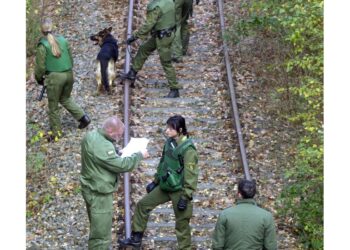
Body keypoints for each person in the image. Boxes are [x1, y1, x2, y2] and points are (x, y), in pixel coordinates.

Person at [118, 115, 199, 249]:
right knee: (142, 205)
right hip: (166, 185)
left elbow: (192, 175)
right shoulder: (169, 142)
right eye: (167, 127)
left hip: (180, 191)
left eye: (170, 128)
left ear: (179, 129)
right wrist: (155, 181)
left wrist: (186, 196)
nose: (166, 131)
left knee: (182, 224)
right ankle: (136, 238)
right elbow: (163, 163)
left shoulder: (188, 149)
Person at [80, 116, 149, 249]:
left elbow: (100, 156)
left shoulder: (91, 136)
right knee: (101, 236)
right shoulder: (103, 145)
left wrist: (117, 152)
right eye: (118, 135)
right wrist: (139, 155)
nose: (118, 138)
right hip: (99, 195)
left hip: (89, 188)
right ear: (110, 130)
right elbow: (122, 166)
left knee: (96, 227)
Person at [35, 18, 90, 142]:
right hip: (69, 74)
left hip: (55, 78)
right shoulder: (63, 40)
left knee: (53, 106)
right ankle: (83, 118)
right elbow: (71, 59)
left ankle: (56, 133)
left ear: (41, 31)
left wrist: (39, 79)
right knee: (65, 98)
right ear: (53, 28)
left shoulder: (42, 45)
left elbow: (40, 67)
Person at [123, 0, 182, 98]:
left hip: (163, 37)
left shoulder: (157, 7)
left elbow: (148, 25)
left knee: (166, 63)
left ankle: (174, 89)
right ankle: (133, 72)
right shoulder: (169, 1)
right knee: (144, 49)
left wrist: (135, 36)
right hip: (165, 33)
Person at [212, 179, 278, 250]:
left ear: (239, 194)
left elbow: (217, 246)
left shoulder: (225, 214)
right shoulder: (266, 216)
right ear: (254, 194)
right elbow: (271, 247)